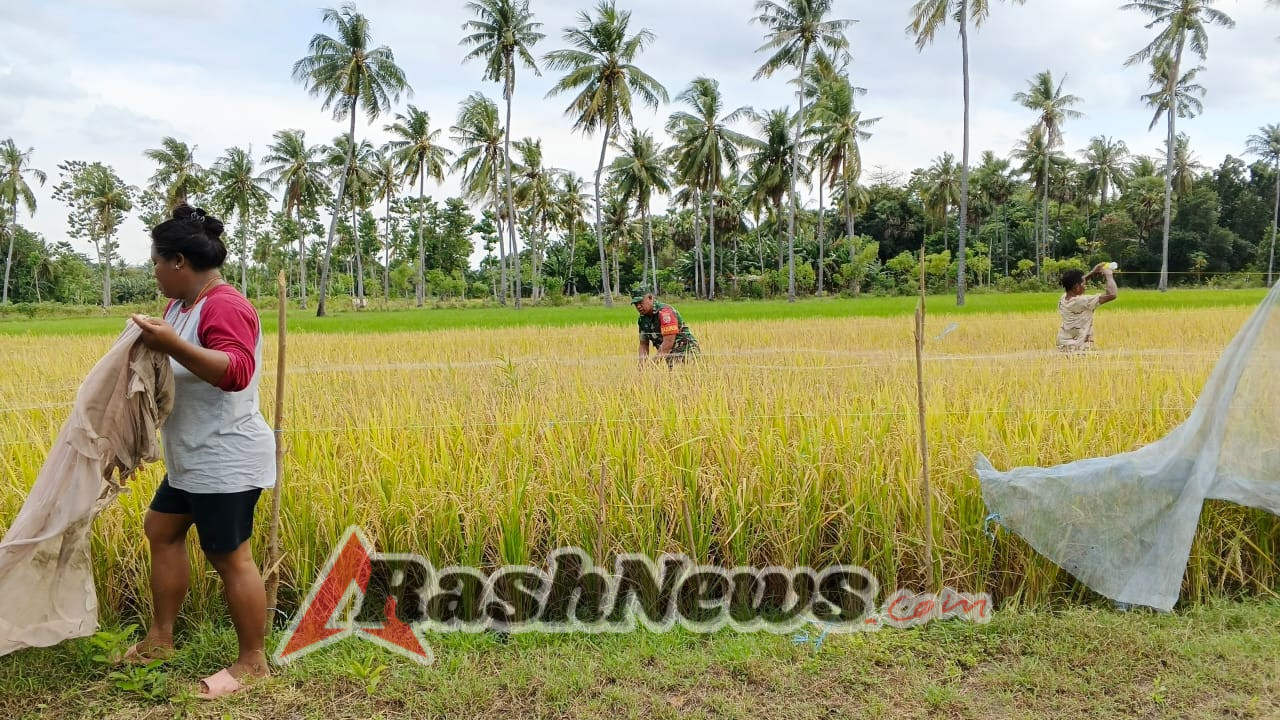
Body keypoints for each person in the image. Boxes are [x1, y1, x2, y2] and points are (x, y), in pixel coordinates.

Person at [124, 204, 275, 699]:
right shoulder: (181, 307)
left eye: (156, 261)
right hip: (191, 456)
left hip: (225, 458)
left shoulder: (224, 305)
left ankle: (253, 663)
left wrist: (171, 345)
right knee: (161, 528)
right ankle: (160, 639)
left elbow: (236, 371)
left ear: (179, 262)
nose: (154, 271)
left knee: (230, 557)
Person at [1057, 262, 1118, 352]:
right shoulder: (1082, 301)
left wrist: (1092, 273)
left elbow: (1077, 283)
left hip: (1063, 345)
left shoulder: (1063, 298)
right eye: (1084, 285)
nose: (1085, 287)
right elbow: (1112, 294)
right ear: (1077, 287)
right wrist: (1108, 275)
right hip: (1079, 347)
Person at [632, 289, 699, 368]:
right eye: (636, 304)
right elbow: (643, 344)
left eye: (641, 302)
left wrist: (651, 366)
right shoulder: (643, 319)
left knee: (682, 374)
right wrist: (641, 366)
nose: (638, 306)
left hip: (686, 351)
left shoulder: (665, 313)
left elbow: (668, 343)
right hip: (669, 354)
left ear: (650, 298)